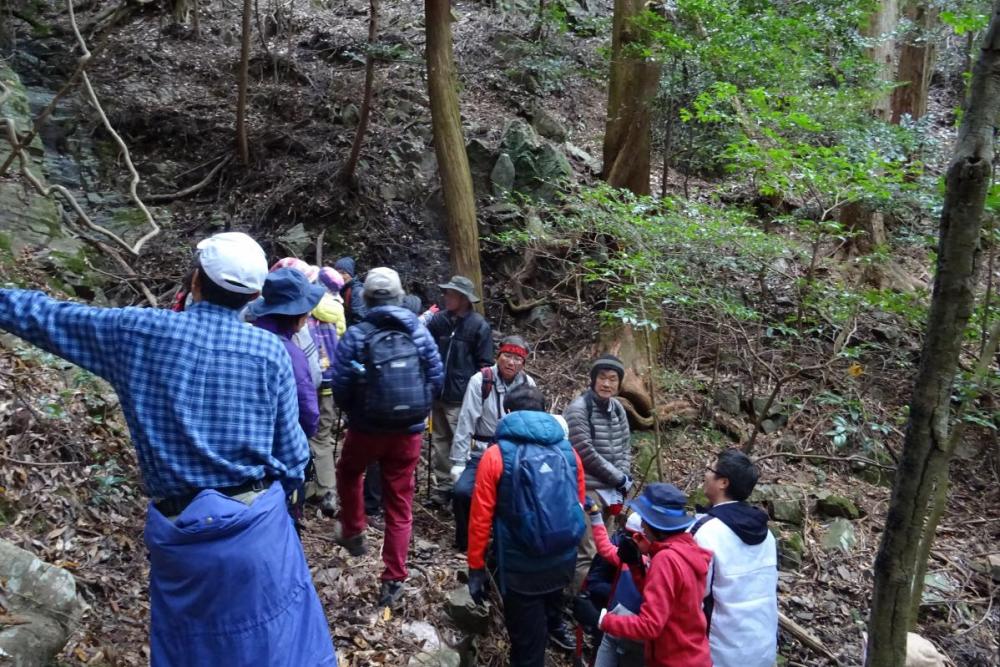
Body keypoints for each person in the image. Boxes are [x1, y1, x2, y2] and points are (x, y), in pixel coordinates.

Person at [0, 232, 336, 665]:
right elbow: (292, 456)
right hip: (257, 528)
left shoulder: (139, 332)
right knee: (278, 645)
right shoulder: (269, 351)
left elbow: (47, 317)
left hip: (181, 533)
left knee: (190, 648)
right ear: (253, 296)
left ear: (195, 281)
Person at [331, 267, 443, 608]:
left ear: (367, 298)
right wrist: (418, 410)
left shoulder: (358, 333)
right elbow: (436, 378)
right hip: (407, 432)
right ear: (398, 296)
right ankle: (394, 578)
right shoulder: (419, 332)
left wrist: (356, 412)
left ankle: (354, 529)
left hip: (366, 428)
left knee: (349, 472)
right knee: (400, 503)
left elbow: (341, 384)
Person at [467, 384, 584, 665]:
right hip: (563, 560)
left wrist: (475, 567)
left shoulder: (496, 455)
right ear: (545, 412)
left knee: (527, 646)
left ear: (507, 412)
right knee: (546, 620)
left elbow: (481, 516)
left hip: (521, 570)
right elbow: (577, 505)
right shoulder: (569, 452)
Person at [583, 484, 713, 667]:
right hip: (692, 655)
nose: (642, 525)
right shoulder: (688, 550)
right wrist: (636, 566)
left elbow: (649, 626)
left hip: (673, 660)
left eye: (644, 519)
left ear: (655, 524)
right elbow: (665, 602)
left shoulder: (666, 559)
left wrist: (601, 620)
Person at [691, 449, 778, 667]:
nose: (705, 475)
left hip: (721, 651)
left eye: (710, 470)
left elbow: (693, 594)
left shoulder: (707, 532)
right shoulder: (767, 534)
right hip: (763, 647)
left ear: (723, 483)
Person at [449, 335, 536, 551]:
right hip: (482, 451)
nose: (511, 362)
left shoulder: (528, 384)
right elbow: (466, 421)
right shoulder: (481, 380)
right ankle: (465, 543)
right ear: (498, 356)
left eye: (517, 358)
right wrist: (459, 461)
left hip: (515, 452)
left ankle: (506, 544)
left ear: (523, 363)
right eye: (507, 356)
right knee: (462, 492)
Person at [564, 354, 632, 586]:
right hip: (588, 490)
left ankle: (598, 604)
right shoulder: (579, 408)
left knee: (607, 548)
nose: (607, 384)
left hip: (611, 490)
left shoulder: (618, 409)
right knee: (588, 551)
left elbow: (625, 445)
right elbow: (584, 451)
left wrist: (622, 479)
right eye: (602, 378)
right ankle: (579, 602)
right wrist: (618, 477)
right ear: (593, 380)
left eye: (613, 379)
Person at [426, 275, 493, 506]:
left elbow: (485, 364)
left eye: (450, 294)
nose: (445, 297)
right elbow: (428, 351)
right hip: (438, 394)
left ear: (463, 298)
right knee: (439, 442)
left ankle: (461, 490)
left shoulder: (478, 326)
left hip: (462, 398)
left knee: (461, 443)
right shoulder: (438, 321)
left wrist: (478, 395)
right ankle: (442, 489)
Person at [575, 507, 647, 667]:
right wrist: (594, 515)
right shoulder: (624, 550)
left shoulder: (654, 562)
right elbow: (603, 556)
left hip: (633, 629)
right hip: (611, 617)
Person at [307, 268, 347, 516]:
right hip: (331, 381)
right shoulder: (338, 312)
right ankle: (325, 486)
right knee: (323, 434)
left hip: (310, 381)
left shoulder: (306, 309)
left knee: (310, 433)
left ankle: (320, 487)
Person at [334, 256, 366, 327]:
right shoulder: (339, 288)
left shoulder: (357, 291)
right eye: (337, 272)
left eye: (343, 273)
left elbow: (359, 318)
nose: (340, 276)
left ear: (351, 274)